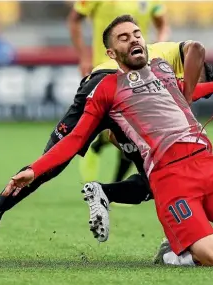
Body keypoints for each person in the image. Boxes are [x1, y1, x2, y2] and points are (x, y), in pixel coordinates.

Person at [1, 15, 213, 266]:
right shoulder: (106, 90)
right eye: (124, 37)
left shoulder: (162, 68)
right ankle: (171, 255)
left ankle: (196, 244)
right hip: (169, 176)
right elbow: (75, 139)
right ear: (111, 53)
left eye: (136, 34)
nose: (133, 39)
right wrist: (35, 169)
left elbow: (180, 91)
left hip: (208, 164)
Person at [0, 42, 213, 258]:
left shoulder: (156, 70)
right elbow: (196, 50)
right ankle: (107, 193)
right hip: (116, 91)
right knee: (159, 176)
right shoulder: (172, 56)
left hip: (96, 89)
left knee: (50, 165)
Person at [68, 0, 170, 185]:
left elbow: (162, 23)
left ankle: (117, 186)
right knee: (114, 128)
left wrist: (157, 49)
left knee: (135, 130)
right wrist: (83, 57)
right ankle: (96, 147)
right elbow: (74, 20)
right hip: (105, 68)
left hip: (138, 70)